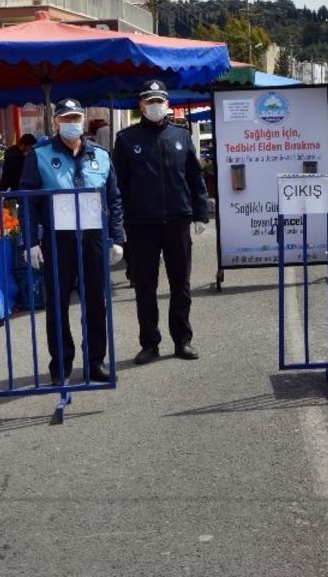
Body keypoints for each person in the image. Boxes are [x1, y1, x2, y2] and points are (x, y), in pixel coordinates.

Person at [19, 99, 124, 385]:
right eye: (65, 118)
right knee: (57, 304)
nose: (71, 122)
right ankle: (61, 366)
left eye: (76, 117)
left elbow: (114, 199)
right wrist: (29, 243)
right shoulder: (39, 156)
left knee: (95, 302)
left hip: (93, 238)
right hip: (57, 239)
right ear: (55, 123)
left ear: (83, 119)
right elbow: (27, 202)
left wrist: (117, 238)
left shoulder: (101, 156)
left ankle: (95, 362)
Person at [114, 80, 209, 364]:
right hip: (142, 224)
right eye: (149, 101)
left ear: (167, 103)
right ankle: (150, 343)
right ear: (141, 105)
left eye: (159, 100)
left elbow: (195, 177)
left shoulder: (181, 136)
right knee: (145, 286)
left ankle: (182, 340)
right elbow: (118, 185)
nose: (154, 106)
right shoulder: (126, 139)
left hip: (178, 221)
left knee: (181, 284)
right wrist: (120, 225)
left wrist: (200, 212)